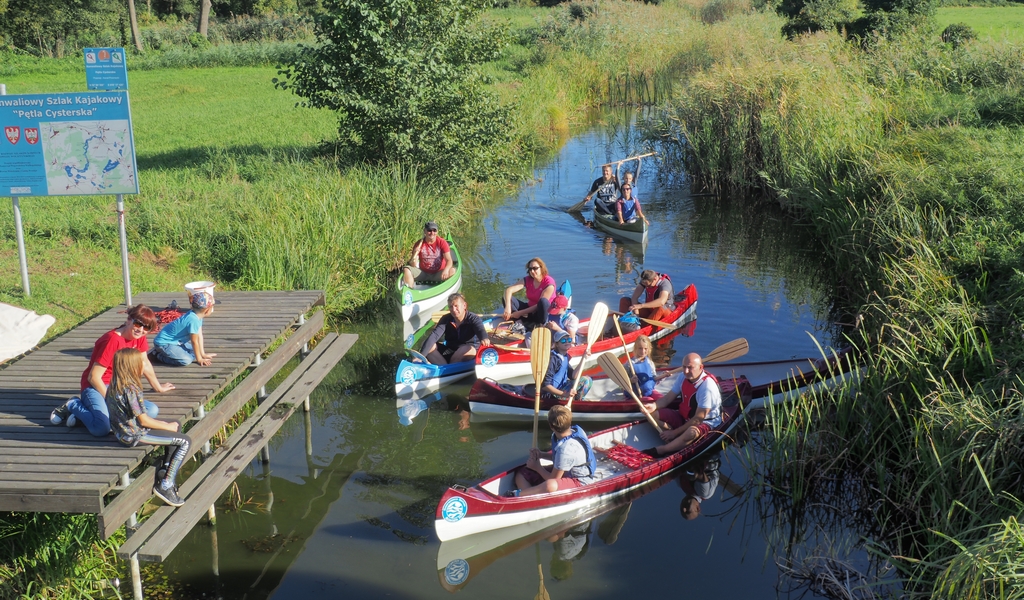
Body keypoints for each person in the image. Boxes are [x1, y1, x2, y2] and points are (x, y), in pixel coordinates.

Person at [50, 304, 174, 437]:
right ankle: (73, 404)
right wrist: (114, 403)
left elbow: (145, 363)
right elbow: (94, 377)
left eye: (147, 328)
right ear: (128, 320)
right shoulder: (112, 340)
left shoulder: (139, 337)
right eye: (138, 324)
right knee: (101, 428)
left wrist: (158, 387)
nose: (141, 330)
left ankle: (85, 416)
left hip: (120, 387)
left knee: (151, 410)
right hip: (97, 386)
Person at [105, 348, 192, 507]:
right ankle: (166, 485)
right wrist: (165, 425)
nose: (145, 366)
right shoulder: (131, 389)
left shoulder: (113, 385)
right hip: (133, 435)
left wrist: (167, 425)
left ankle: (165, 471)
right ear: (133, 366)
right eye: (142, 363)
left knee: (175, 424)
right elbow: (143, 421)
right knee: (185, 441)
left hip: (122, 432)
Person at [642, 352, 722, 456]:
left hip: (706, 422)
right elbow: (667, 399)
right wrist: (653, 406)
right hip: (685, 418)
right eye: (684, 367)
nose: (686, 371)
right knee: (652, 414)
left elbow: (698, 419)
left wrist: (674, 433)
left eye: (690, 368)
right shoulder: (682, 377)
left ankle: (664, 449)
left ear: (701, 367)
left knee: (691, 432)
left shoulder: (707, 387)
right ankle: (677, 440)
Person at [510, 405, 597, 496]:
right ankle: (530, 494)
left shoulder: (566, 449)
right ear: (569, 422)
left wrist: (537, 467)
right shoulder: (575, 430)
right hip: (566, 471)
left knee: (550, 485)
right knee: (522, 473)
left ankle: (519, 495)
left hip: (580, 480)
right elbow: (560, 459)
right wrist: (541, 455)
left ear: (551, 426)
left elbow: (553, 478)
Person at [420, 293, 492, 365]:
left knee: (467, 349)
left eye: (456, 306)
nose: (454, 310)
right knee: (426, 344)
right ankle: (445, 367)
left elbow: (480, 329)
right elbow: (434, 335)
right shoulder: (446, 319)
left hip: (468, 352)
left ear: (464, 305)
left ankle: (446, 368)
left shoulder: (473, 319)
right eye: (451, 307)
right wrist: (421, 356)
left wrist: (484, 338)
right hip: (450, 351)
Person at [151, 291, 217, 367]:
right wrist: (199, 359)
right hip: (164, 343)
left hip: (176, 342)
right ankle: (157, 355)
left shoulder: (197, 315)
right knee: (186, 360)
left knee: (194, 352)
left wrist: (202, 354)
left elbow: (199, 336)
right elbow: (194, 341)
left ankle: (167, 353)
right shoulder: (193, 320)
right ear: (207, 310)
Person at [503, 257, 556, 329]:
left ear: (541, 268)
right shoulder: (528, 279)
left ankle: (542, 325)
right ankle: (519, 324)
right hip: (530, 309)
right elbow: (508, 290)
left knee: (543, 301)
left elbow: (539, 305)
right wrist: (508, 307)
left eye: (535, 268)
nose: (532, 271)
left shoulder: (549, 282)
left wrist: (520, 313)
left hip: (542, 312)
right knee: (507, 298)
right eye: (530, 269)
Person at [539, 333, 592, 402]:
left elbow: (573, 376)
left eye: (569, 340)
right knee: (586, 380)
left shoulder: (565, 356)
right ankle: (577, 402)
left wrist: (583, 358)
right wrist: (565, 394)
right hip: (552, 395)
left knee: (587, 379)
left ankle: (577, 400)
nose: (567, 342)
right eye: (563, 341)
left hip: (561, 389)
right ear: (557, 344)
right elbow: (545, 386)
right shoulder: (553, 359)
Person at [401, 221, 455, 287]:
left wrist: (446, 270)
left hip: (438, 273)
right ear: (425, 231)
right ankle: (410, 290)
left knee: (452, 270)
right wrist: (414, 253)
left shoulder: (442, 242)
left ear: (437, 232)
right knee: (406, 269)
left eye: (434, 230)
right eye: (429, 230)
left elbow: (449, 260)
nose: (432, 233)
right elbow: (413, 265)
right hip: (423, 273)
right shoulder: (419, 244)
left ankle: (445, 288)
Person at [629, 335, 659, 401]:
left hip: (649, 390)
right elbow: (623, 383)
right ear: (635, 348)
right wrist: (631, 380)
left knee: (661, 398)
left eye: (645, 349)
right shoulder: (630, 363)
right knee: (649, 400)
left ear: (649, 349)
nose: (643, 351)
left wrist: (663, 375)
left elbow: (654, 377)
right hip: (637, 393)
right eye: (640, 348)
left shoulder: (649, 362)